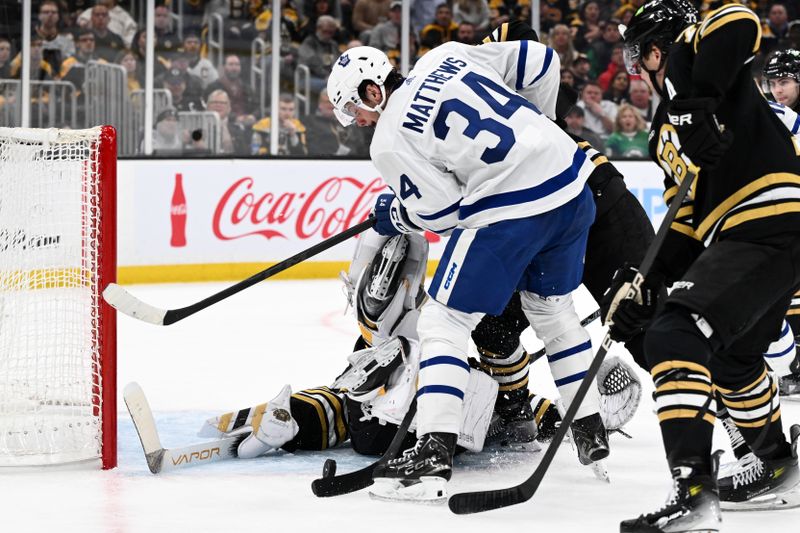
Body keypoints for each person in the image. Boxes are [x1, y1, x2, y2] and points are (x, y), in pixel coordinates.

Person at [326, 39, 604, 502]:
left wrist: (397, 214)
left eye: (356, 108)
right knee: (552, 311)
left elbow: (442, 213)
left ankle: (432, 453)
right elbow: (541, 61)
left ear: (374, 91)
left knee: (444, 320)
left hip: (513, 208)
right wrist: (540, 129)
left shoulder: (389, 140)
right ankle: (590, 427)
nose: (358, 120)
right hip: (572, 182)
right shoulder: (443, 56)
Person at [614, 1, 800, 529]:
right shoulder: (662, 131)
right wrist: (643, 282)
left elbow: (741, 18)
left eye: (641, 55)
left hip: (766, 219)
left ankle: (693, 494)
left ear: (657, 49)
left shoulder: (692, 60)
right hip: (762, 234)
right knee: (732, 360)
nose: (640, 67)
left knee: (675, 336)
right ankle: (778, 467)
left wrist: (693, 101)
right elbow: (688, 223)